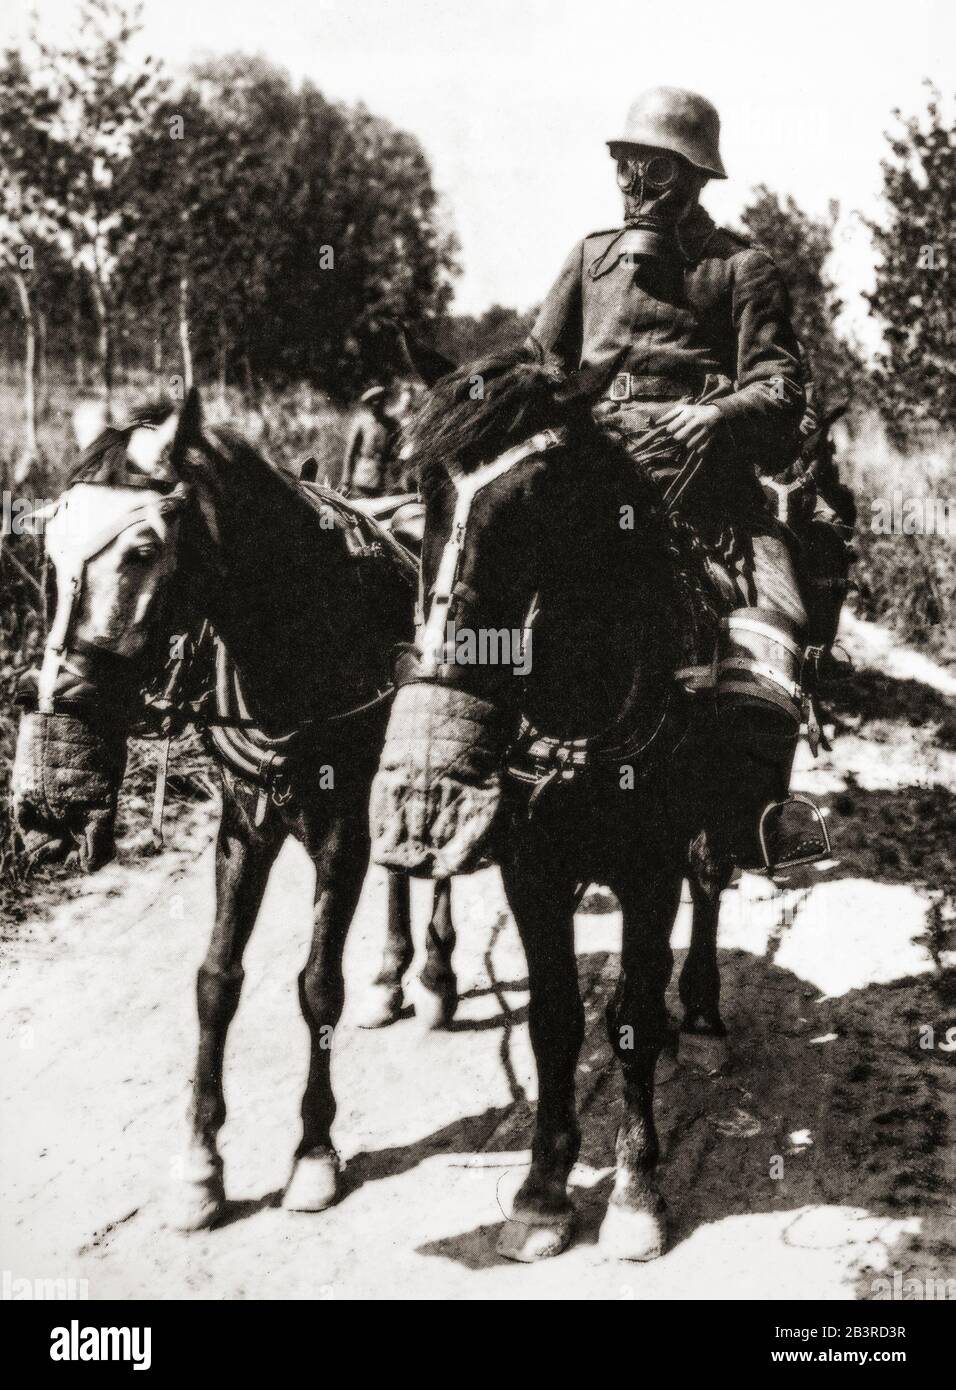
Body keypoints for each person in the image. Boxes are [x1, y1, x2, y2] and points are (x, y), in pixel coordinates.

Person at [529, 86, 827, 869]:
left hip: (708, 507)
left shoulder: (741, 267)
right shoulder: (588, 260)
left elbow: (782, 387)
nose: (633, 183)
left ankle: (759, 819)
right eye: (626, 164)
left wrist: (719, 413)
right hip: (593, 496)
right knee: (480, 611)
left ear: (695, 176)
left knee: (776, 632)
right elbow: (537, 370)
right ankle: (477, 784)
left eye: (653, 168)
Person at [339, 385, 398, 498]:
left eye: (381, 400)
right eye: (374, 401)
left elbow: (396, 453)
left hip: (385, 481)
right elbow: (350, 453)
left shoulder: (392, 425)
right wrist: (346, 481)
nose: (377, 404)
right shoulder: (362, 423)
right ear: (370, 404)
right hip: (363, 480)